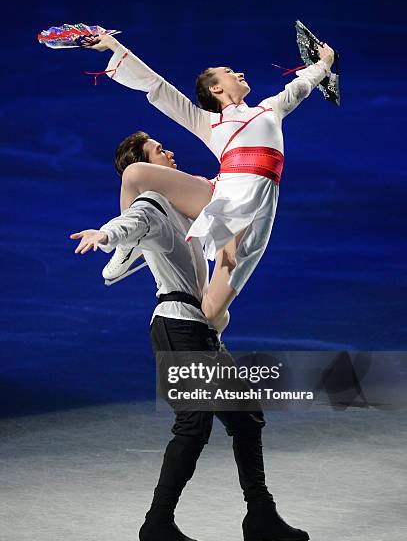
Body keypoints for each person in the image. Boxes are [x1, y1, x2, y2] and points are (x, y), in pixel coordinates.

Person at [69, 135, 310, 541]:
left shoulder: (185, 213)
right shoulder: (153, 205)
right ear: (144, 165)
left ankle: (261, 516)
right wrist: (105, 235)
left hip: (198, 331)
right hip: (177, 328)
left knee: (246, 417)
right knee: (194, 425)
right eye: (159, 151)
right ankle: (158, 524)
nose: (169, 154)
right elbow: (129, 224)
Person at [81, 32, 335, 334]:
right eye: (228, 72)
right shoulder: (208, 123)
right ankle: (127, 245)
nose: (238, 73)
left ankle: (209, 361)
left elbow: (301, 85)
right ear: (215, 88)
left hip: (255, 218)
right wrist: (114, 46)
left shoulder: (270, 109)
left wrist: (324, 63)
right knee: (135, 174)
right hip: (219, 197)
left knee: (212, 314)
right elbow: (158, 88)